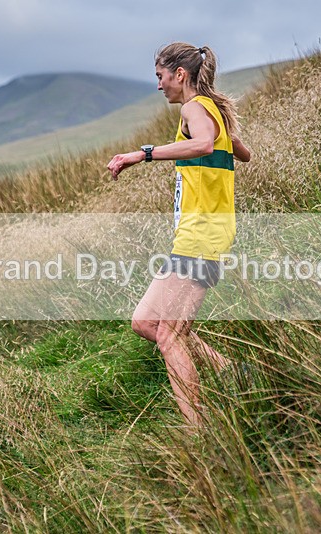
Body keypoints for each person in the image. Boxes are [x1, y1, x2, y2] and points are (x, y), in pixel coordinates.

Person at [107, 42, 251, 431]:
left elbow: (204, 143)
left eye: (160, 77)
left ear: (180, 75)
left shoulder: (193, 108)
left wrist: (144, 153)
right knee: (145, 323)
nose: (159, 86)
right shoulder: (213, 110)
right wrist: (224, 140)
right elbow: (243, 153)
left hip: (201, 236)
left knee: (168, 334)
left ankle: (197, 432)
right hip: (201, 235)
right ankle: (234, 373)